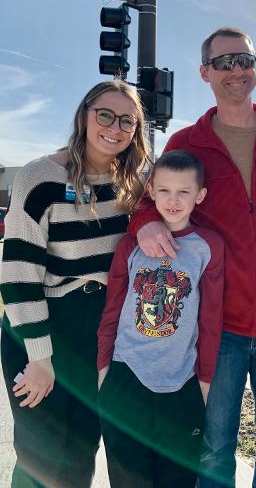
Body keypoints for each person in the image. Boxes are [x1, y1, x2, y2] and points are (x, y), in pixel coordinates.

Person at [129, 27, 256, 487]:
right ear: (205, 73)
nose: (236, 71)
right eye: (223, 63)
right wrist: (145, 221)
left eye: (244, 60)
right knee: (213, 446)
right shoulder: (188, 142)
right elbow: (153, 198)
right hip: (215, 326)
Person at [0, 79, 150, 487]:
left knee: (81, 449)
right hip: (45, 323)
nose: (114, 127)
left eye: (127, 121)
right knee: (40, 455)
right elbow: (18, 273)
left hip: (102, 329)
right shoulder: (40, 177)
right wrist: (40, 357)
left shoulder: (135, 184)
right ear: (84, 114)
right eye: (105, 115)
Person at [97, 150, 224, 487]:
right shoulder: (130, 245)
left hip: (181, 383)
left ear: (200, 196)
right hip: (126, 376)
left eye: (184, 192)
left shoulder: (208, 247)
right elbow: (112, 308)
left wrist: (205, 383)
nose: (173, 200)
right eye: (164, 190)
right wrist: (103, 370)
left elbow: (210, 320)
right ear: (150, 190)